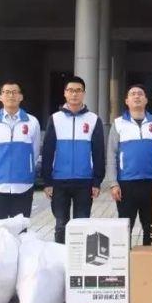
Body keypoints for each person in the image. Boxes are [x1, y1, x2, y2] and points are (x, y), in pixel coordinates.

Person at [41, 76, 105, 244]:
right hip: (59, 181)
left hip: (84, 181)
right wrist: (47, 181)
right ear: (65, 93)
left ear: (84, 93)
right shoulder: (55, 119)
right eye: (70, 90)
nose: (74, 94)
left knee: (82, 225)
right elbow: (48, 151)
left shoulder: (93, 119)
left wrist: (97, 181)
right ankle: (60, 258)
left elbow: (98, 153)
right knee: (61, 225)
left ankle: (79, 259)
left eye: (78, 91)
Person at [106, 84, 152, 245]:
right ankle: (124, 258)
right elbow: (111, 155)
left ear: (146, 99)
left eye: (140, 93)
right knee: (125, 228)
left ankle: (149, 257)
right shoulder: (118, 123)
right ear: (127, 100)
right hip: (126, 184)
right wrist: (113, 183)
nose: (136, 96)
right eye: (132, 94)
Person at [0, 81, 40, 221]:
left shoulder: (32, 122)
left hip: (23, 185)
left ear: (21, 97)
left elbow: (34, 152)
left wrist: (27, 168)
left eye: (14, 92)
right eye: (6, 92)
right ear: (0, 97)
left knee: (20, 229)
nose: (11, 95)